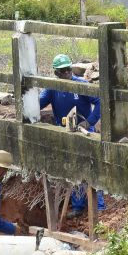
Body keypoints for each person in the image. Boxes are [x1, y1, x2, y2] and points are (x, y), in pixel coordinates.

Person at [40, 53, 105, 217]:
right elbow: (38, 103)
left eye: (68, 69)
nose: (66, 73)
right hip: (65, 134)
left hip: (84, 133)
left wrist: (89, 122)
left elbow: (99, 102)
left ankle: (100, 208)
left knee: (91, 169)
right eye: (62, 71)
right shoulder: (52, 87)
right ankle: (77, 207)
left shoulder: (81, 85)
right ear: (56, 73)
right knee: (74, 171)